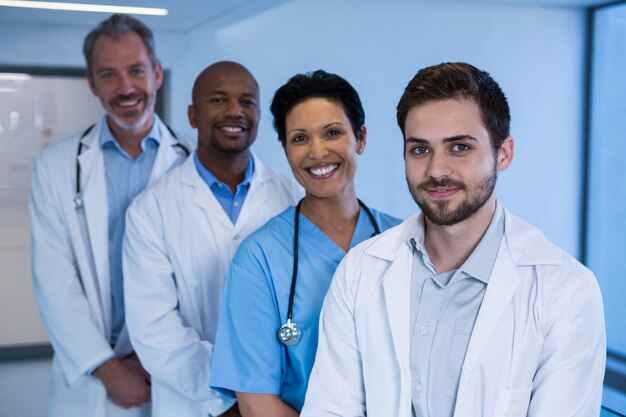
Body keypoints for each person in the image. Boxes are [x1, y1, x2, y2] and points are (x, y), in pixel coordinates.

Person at [301, 62, 606, 417]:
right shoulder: (360, 271)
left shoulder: (566, 291)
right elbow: (330, 410)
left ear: (503, 153)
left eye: (459, 147)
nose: (436, 170)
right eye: (420, 149)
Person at [210, 70, 401, 416]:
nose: (317, 151)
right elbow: (256, 404)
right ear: (284, 150)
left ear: (361, 138)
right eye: (299, 139)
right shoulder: (258, 260)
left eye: (332, 133)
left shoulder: (406, 242)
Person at [29, 14, 192, 417]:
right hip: (94, 378)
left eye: (136, 70)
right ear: (91, 83)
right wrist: (106, 367)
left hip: (174, 370)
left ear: (156, 74)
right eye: (108, 75)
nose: (125, 88)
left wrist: (156, 356)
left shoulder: (194, 163)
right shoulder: (56, 166)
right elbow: (54, 279)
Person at [122, 61, 302, 417]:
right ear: (192, 115)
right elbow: (154, 329)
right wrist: (235, 397)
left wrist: (263, 398)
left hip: (282, 400)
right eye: (218, 100)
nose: (234, 111)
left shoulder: (293, 196)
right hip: (194, 403)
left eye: (247, 102)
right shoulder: (150, 209)